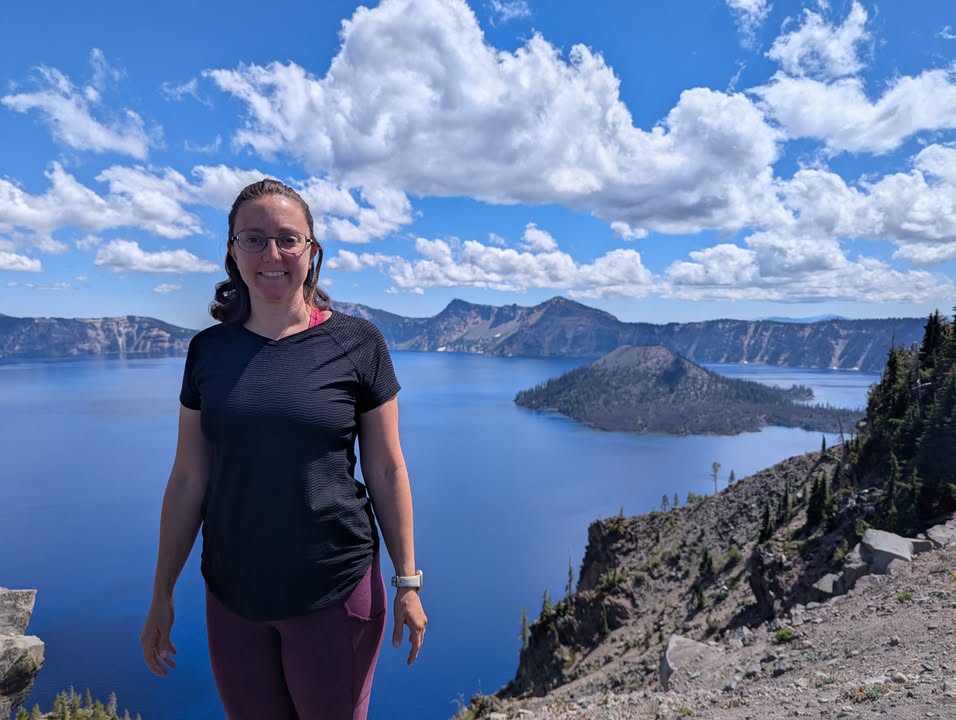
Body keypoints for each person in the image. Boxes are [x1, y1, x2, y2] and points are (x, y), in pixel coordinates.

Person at [140, 178, 426, 720]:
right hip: (233, 596)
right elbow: (187, 480)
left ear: (312, 252)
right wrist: (161, 593)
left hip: (335, 592)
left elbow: (387, 470)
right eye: (253, 239)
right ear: (232, 251)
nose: (272, 254)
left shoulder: (358, 342)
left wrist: (408, 581)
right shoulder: (208, 352)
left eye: (288, 239)